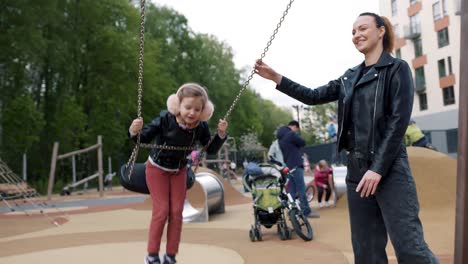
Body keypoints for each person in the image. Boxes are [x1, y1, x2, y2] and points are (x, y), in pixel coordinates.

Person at [254, 12, 438, 263]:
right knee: (366, 250)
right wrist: (277, 78)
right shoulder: (349, 77)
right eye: (353, 32)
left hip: (390, 169)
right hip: (356, 171)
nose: (356, 35)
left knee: (409, 247)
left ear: (381, 31)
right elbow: (313, 96)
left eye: (362, 28)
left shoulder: (397, 69)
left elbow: (398, 123)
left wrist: (378, 169)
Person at [129, 83, 228, 264]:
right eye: (188, 107)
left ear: (204, 111)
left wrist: (220, 134)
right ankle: (151, 255)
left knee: (177, 212)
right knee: (162, 210)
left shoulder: (201, 127)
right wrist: (134, 130)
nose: (192, 113)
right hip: (157, 168)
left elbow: (211, 149)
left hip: (179, 170)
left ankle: (170, 256)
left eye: (197, 109)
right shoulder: (165, 119)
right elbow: (141, 139)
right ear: (177, 106)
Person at [276, 120, 320, 218]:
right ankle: (306, 211)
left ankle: (294, 211)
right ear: (294, 127)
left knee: (291, 190)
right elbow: (302, 142)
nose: (296, 131)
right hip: (296, 164)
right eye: (297, 129)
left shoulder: (280, 138)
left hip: (288, 166)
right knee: (301, 189)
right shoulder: (291, 134)